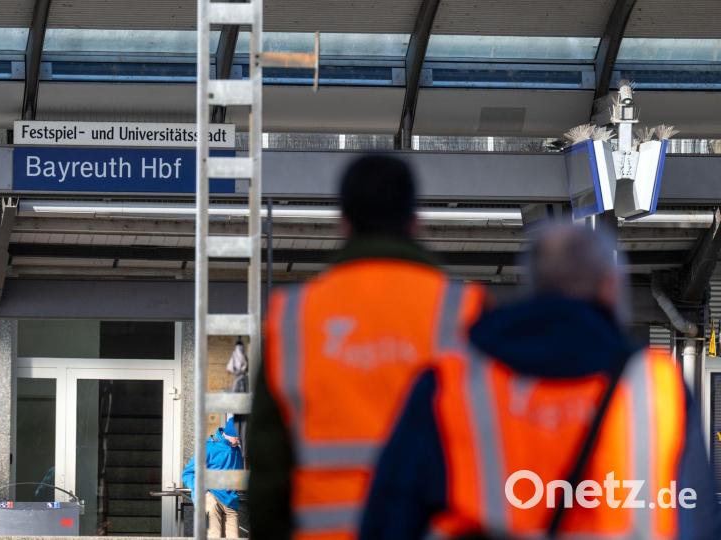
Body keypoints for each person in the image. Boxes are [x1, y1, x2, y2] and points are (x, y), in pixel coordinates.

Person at [361, 224, 720, 539]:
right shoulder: (656, 387)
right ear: (611, 287)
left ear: (531, 286)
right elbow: (696, 522)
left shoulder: (452, 383)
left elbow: (389, 520)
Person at [248, 154, 486, 539]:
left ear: (344, 222)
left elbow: (268, 467)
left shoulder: (294, 316)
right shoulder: (462, 310)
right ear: (415, 221)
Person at [182, 417, 244, 538]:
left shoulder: (237, 451)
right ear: (229, 433)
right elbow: (188, 473)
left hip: (230, 499)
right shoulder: (209, 448)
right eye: (237, 437)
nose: (239, 441)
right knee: (214, 534)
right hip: (211, 496)